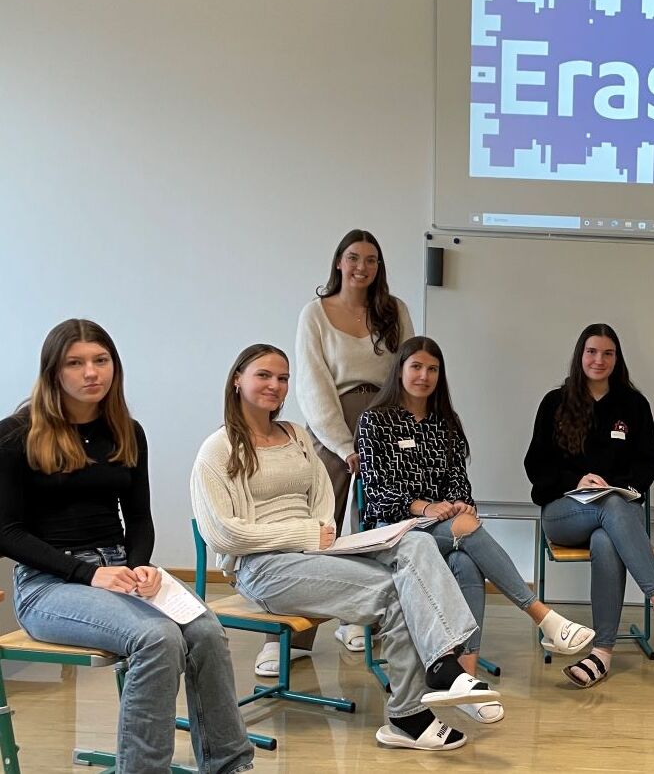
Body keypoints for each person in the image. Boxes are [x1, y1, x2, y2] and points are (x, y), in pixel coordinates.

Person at [192, 343, 500, 752]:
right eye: (263, 375)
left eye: (283, 378)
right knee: (398, 591)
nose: (275, 385)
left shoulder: (296, 436)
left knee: (416, 542)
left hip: (316, 552)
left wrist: (317, 535)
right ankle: (410, 713)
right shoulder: (218, 448)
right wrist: (304, 536)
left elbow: (323, 500)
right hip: (263, 567)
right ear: (237, 380)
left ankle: (444, 662)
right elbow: (223, 534)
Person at [0, 319, 253, 772]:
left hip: (119, 570)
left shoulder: (127, 431)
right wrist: (88, 574)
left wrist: (140, 566)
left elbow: (137, 518)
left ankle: (229, 765)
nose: (91, 372)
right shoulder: (15, 435)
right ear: (53, 371)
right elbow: (6, 532)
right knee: (157, 637)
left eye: (101, 360)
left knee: (206, 632)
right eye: (75, 363)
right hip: (48, 585)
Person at [358, 336, 597, 723]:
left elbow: (459, 484)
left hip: (441, 527)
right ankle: (543, 617)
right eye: (416, 367)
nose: (424, 376)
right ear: (399, 370)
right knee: (465, 532)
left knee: (467, 563)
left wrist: (458, 504)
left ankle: (465, 680)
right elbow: (376, 493)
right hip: (394, 532)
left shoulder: (446, 423)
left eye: (432, 369)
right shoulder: (375, 421)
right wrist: (425, 507)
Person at [524, 323, 654, 688]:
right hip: (564, 512)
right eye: (592, 352)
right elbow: (536, 466)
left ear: (617, 358)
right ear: (580, 355)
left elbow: (649, 463)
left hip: (616, 513)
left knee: (608, 537)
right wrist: (577, 481)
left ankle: (602, 654)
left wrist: (618, 489)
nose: (599, 360)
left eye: (608, 353)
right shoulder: (555, 402)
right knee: (612, 507)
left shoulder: (634, 405)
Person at [284, 229, 415, 674]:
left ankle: (359, 620)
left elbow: (408, 370)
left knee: (377, 527)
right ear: (339, 262)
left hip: (385, 421)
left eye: (371, 260)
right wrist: (342, 444)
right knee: (318, 528)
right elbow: (313, 383)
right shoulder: (315, 313)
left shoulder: (394, 310)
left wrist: (401, 430)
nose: (362, 267)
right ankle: (291, 638)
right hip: (332, 423)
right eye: (354, 258)